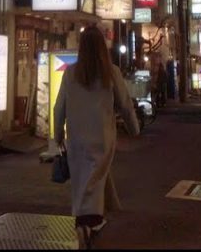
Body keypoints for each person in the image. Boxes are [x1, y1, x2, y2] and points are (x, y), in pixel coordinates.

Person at [54, 27, 140, 248]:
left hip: (77, 139)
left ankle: (89, 221)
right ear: (103, 47)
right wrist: (134, 129)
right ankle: (89, 224)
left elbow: (58, 107)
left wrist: (57, 135)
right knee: (94, 180)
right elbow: (126, 105)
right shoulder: (111, 72)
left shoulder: (71, 73)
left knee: (84, 180)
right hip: (102, 138)